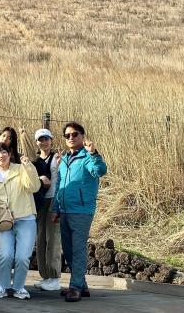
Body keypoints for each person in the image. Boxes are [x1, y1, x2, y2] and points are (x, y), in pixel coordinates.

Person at [51, 122, 107, 302]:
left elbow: (100, 171)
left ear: (82, 136)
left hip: (82, 211)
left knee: (77, 250)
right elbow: (59, 185)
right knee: (68, 250)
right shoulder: (65, 159)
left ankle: (74, 288)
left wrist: (94, 153)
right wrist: (55, 208)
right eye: (67, 135)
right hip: (65, 210)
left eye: (75, 134)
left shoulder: (88, 157)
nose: (71, 138)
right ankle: (82, 285)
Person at [0, 142, 40, 300]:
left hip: (26, 218)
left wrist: (28, 167)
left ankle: (19, 287)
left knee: (23, 257)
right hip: (4, 222)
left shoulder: (21, 168)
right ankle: (3, 285)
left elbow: (34, 187)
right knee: (5, 255)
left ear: (10, 154)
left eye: (4, 152)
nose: (0, 156)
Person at [31, 128, 62, 292]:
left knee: (53, 238)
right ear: (37, 143)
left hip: (54, 200)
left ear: (51, 140)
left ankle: (54, 276)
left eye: (46, 139)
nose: (43, 142)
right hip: (40, 201)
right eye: (40, 140)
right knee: (41, 238)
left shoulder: (58, 158)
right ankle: (45, 276)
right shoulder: (35, 161)